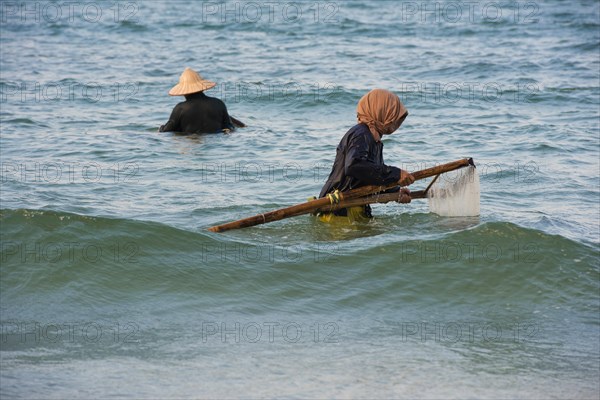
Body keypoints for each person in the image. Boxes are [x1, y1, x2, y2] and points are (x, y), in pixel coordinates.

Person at [318, 88, 415, 222]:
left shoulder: (375, 140)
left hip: (353, 209)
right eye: (391, 113)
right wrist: (396, 174)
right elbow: (354, 166)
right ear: (380, 110)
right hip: (336, 209)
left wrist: (395, 192)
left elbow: (372, 176)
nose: (396, 121)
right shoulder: (361, 134)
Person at [159, 67, 234, 134]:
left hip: (190, 141)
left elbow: (166, 131)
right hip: (215, 143)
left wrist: (161, 128)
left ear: (183, 90)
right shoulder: (218, 103)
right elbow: (229, 127)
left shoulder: (180, 108)